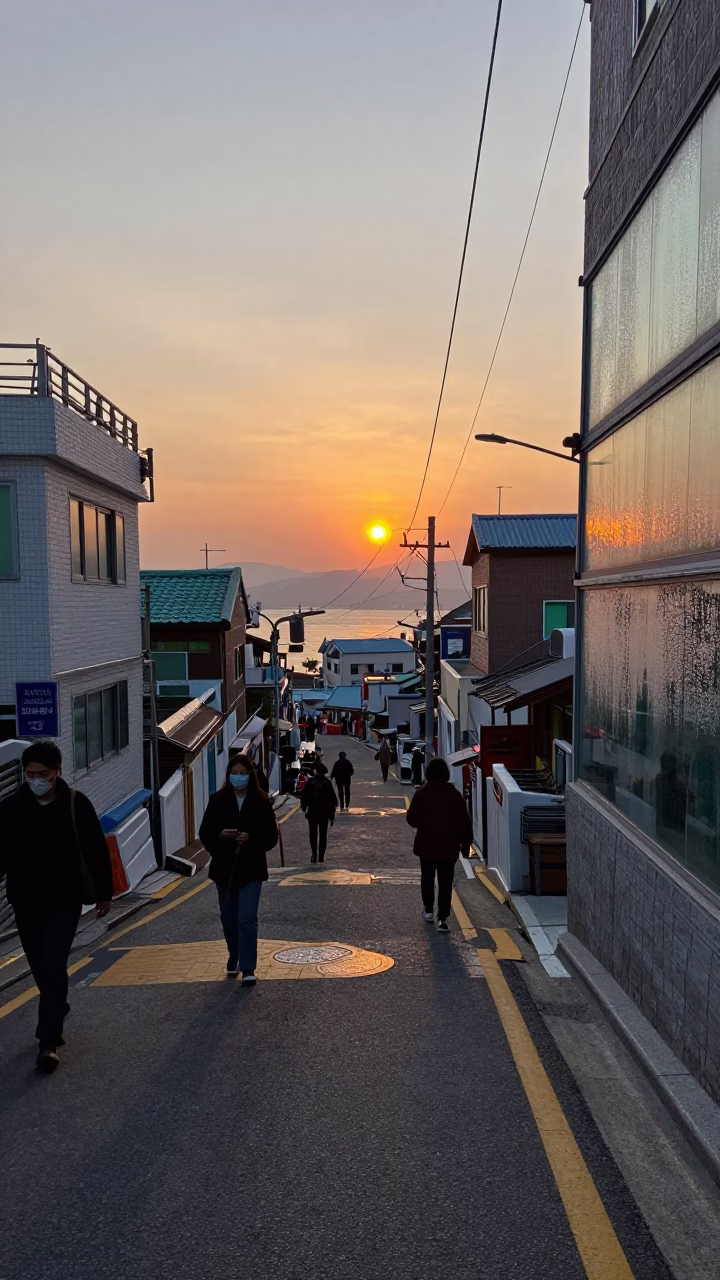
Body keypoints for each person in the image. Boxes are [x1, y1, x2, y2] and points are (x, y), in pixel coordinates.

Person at [0, 740, 113, 1073]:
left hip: (65, 900)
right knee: (40, 967)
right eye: (30, 773)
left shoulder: (76, 804)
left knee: (52, 962)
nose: (36, 779)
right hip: (25, 902)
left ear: (57, 772)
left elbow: (96, 849)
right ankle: (57, 1004)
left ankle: (47, 1041)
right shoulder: (10, 809)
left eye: (43, 773)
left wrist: (104, 893)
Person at [199, 753, 279, 984]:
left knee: (247, 918)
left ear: (250, 775)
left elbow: (270, 837)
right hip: (225, 868)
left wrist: (250, 839)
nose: (239, 777)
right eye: (234, 773)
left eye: (243, 773)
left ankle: (248, 967)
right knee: (228, 917)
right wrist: (221, 836)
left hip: (252, 868)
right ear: (228, 775)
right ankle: (234, 953)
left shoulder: (261, 800)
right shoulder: (217, 800)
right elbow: (205, 833)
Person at [406, 757, 473, 932]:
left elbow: (411, 820)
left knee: (427, 878)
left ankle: (428, 910)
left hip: (426, 846)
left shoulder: (421, 794)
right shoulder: (455, 795)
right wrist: (465, 847)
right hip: (449, 847)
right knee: (445, 881)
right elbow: (464, 823)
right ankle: (443, 918)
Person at [300, 761, 337, 863]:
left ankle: (314, 855)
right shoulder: (327, 783)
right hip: (324, 813)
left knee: (313, 835)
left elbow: (304, 797)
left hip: (312, 812)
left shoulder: (310, 782)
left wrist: (304, 808)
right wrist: (332, 814)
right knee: (323, 835)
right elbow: (333, 800)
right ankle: (321, 856)